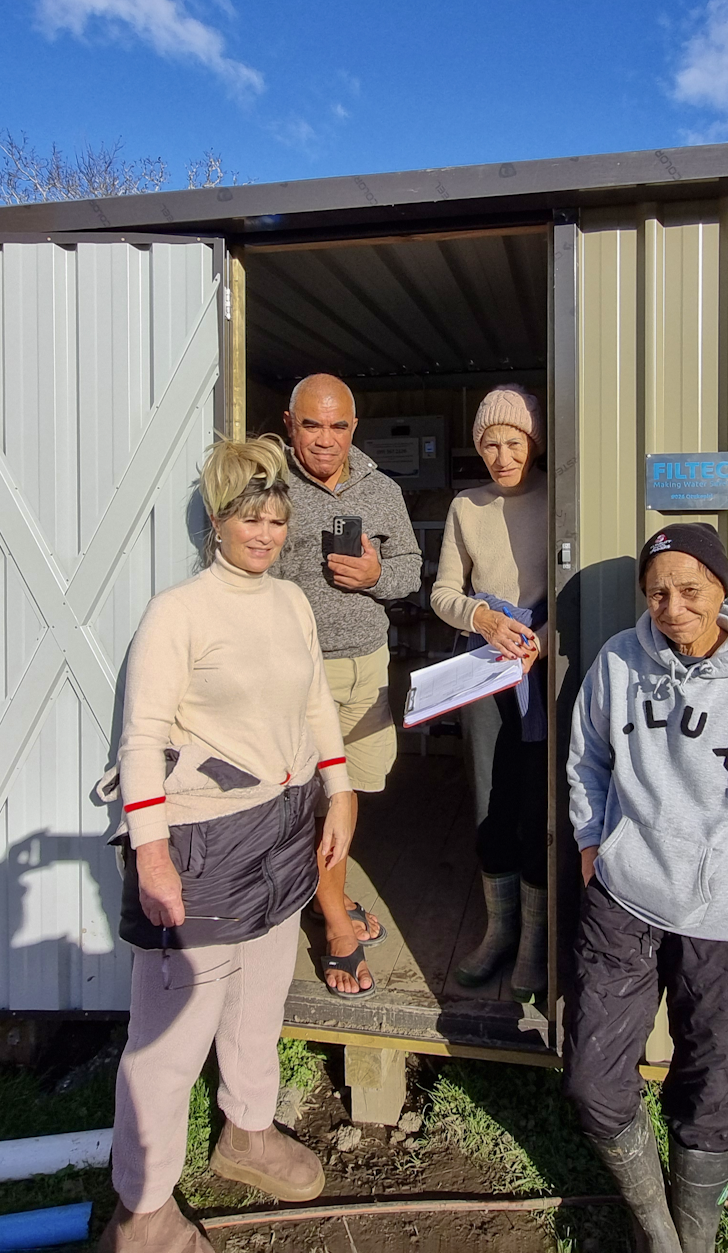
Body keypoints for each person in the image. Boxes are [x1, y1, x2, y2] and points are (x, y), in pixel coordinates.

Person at [100, 437, 356, 1253]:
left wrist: (340, 787)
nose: (265, 534)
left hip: (283, 823)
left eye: (277, 519)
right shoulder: (179, 612)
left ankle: (247, 1130)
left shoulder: (291, 603)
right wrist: (152, 852)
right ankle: (142, 1212)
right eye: (251, 519)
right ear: (217, 520)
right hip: (203, 836)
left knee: (260, 998)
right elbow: (141, 738)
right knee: (171, 1035)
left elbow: (316, 702)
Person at [563, 523, 728, 1253]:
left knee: (712, 1083)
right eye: (657, 594)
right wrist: (592, 843)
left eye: (690, 590)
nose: (673, 608)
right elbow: (587, 757)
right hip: (625, 895)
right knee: (592, 1080)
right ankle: (656, 1230)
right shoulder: (620, 661)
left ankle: (695, 1233)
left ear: (722, 589)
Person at [275, 374, 423, 999]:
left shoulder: (381, 488)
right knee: (305, 796)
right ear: (290, 424)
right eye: (312, 425)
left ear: (354, 427)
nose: (325, 439)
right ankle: (335, 921)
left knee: (349, 790)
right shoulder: (269, 485)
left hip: (365, 668)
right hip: (293, 673)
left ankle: (324, 893)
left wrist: (375, 576)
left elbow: (411, 570)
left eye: (338, 426)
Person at [430, 384, 549, 1001]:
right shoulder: (465, 507)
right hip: (483, 667)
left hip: (539, 669)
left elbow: (572, 584)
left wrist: (541, 642)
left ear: (535, 442)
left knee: (537, 800)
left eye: (514, 442)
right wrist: (481, 617)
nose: (502, 457)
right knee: (488, 800)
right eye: (490, 445)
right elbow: (443, 592)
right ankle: (498, 930)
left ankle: (535, 939)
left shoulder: (559, 497)